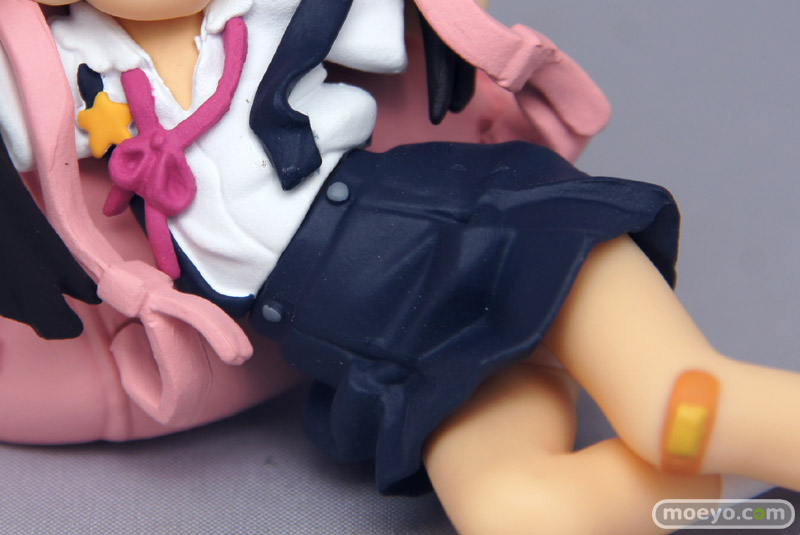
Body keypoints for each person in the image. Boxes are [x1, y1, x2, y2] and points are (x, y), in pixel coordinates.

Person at [1, 1, 798, 533]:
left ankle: (750, 441)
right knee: (518, 514)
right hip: (380, 342)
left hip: (456, 226)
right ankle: (746, 501)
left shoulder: (263, 10)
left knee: (678, 406)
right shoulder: (69, 67)